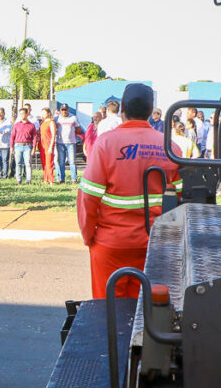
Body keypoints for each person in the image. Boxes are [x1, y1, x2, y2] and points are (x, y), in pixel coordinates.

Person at [78, 83, 182, 300]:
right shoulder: (171, 148)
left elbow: (88, 197)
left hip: (111, 245)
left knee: (108, 314)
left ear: (122, 108)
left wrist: (89, 237)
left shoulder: (105, 143)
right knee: (146, 314)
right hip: (155, 244)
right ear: (150, 109)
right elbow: (180, 200)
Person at [11, 107, 38, 183]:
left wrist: (33, 148)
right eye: (21, 114)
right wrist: (11, 147)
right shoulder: (16, 125)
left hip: (27, 146)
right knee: (18, 163)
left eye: (23, 113)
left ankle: (28, 180)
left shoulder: (31, 125)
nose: (22, 115)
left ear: (27, 114)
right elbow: (12, 136)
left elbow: (35, 137)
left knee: (28, 164)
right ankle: (18, 179)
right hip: (18, 146)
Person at [54, 104, 79, 183]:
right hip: (60, 142)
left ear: (68, 110)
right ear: (60, 110)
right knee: (61, 161)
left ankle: (74, 179)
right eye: (63, 110)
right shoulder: (56, 118)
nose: (64, 111)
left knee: (72, 161)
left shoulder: (73, 118)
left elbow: (78, 129)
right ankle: (62, 178)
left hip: (71, 142)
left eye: (66, 110)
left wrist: (71, 135)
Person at [39, 107, 57, 185]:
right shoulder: (42, 122)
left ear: (48, 113)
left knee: (49, 163)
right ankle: (45, 179)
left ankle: (51, 180)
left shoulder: (51, 122)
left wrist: (51, 146)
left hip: (48, 144)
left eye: (44, 112)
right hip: (41, 144)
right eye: (42, 112)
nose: (43, 114)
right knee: (44, 163)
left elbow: (53, 135)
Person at [0, 107, 12, 179]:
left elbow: (8, 130)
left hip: (5, 145)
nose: (0, 114)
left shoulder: (8, 122)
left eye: (1, 113)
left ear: (4, 113)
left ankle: (4, 175)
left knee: (5, 160)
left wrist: (0, 131)